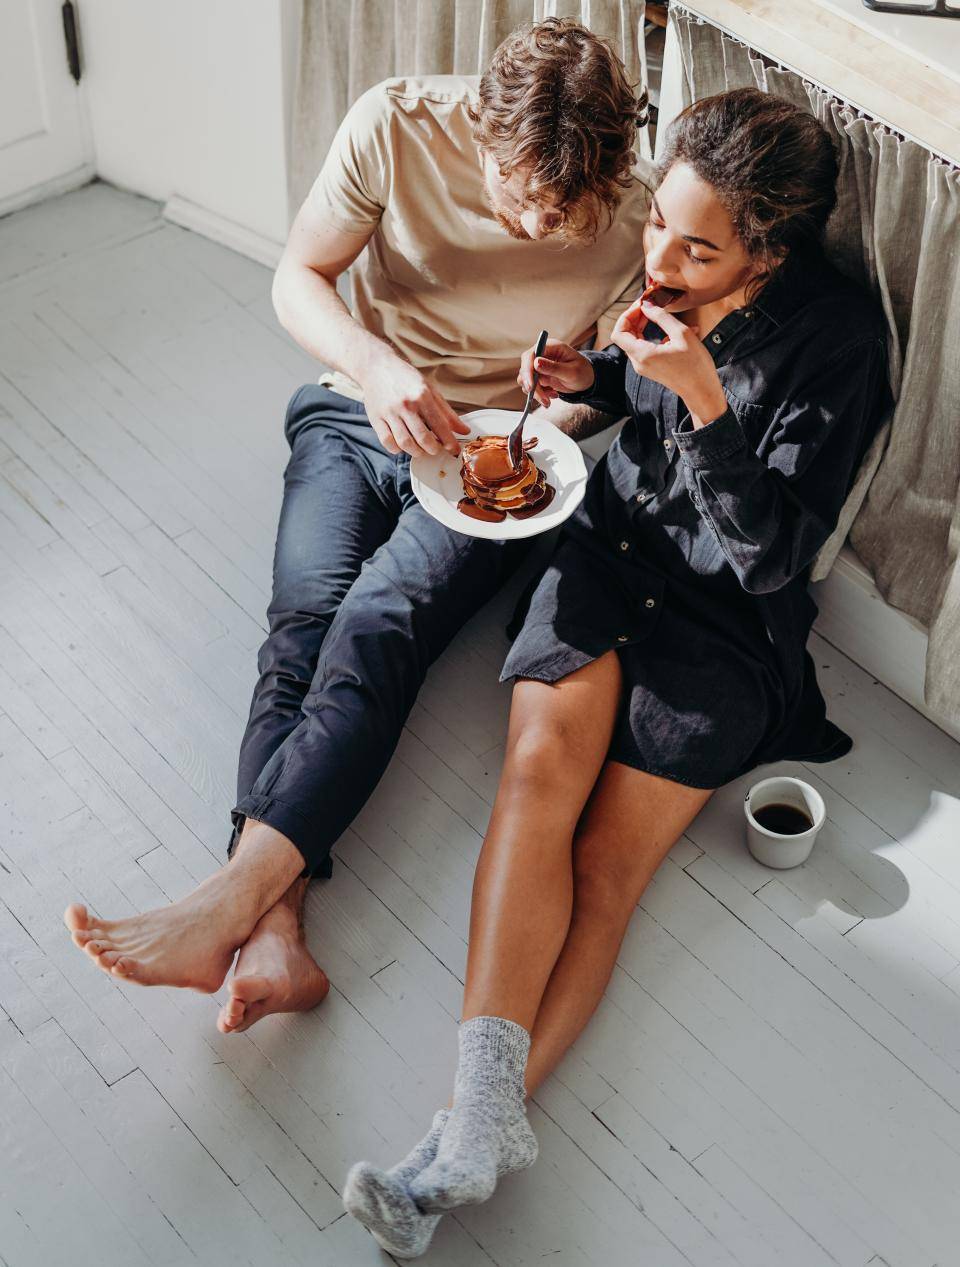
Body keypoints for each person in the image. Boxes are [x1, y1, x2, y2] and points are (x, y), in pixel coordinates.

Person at [341, 88, 891, 1257]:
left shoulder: (838, 345)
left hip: (726, 627)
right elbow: (632, 408)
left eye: (698, 246)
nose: (662, 258)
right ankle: (484, 1117)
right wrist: (588, 382)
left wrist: (706, 403)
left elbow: (775, 556)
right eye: (658, 227)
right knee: (537, 775)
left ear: (769, 249)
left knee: (606, 867)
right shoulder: (663, 287)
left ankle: (464, 1141)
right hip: (610, 553)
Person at [61, 20, 655, 1035]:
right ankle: (274, 927)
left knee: (381, 620)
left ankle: (231, 898)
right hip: (355, 410)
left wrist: (537, 436)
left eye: (563, 214)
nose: (534, 227)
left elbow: (612, 381)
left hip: (492, 459)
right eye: (519, 198)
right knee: (304, 618)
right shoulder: (394, 123)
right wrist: (381, 369)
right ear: (478, 130)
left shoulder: (631, 207)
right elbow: (300, 277)